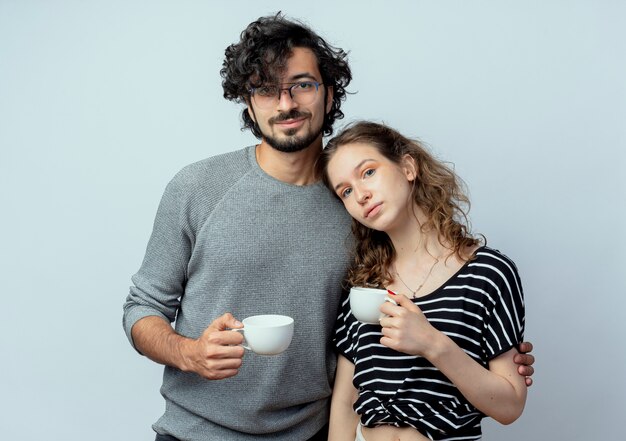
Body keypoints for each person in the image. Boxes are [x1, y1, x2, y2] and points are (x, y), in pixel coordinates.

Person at [123, 13, 535, 441]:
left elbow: (429, 284)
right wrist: (189, 353)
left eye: (301, 84)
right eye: (266, 89)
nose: (285, 104)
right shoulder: (197, 187)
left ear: (328, 92)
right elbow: (141, 307)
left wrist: (497, 350)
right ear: (249, 104)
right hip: (195, 433)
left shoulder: (362, 208)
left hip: (310, 433)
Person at [316, 121, 528, 441]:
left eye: (368, 172)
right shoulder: (363, 287)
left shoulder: (487, 273)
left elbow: (510, 406)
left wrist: (432, 343)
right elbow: (346, 403)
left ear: (408, 167)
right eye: (345, 191)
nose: (361, 195)